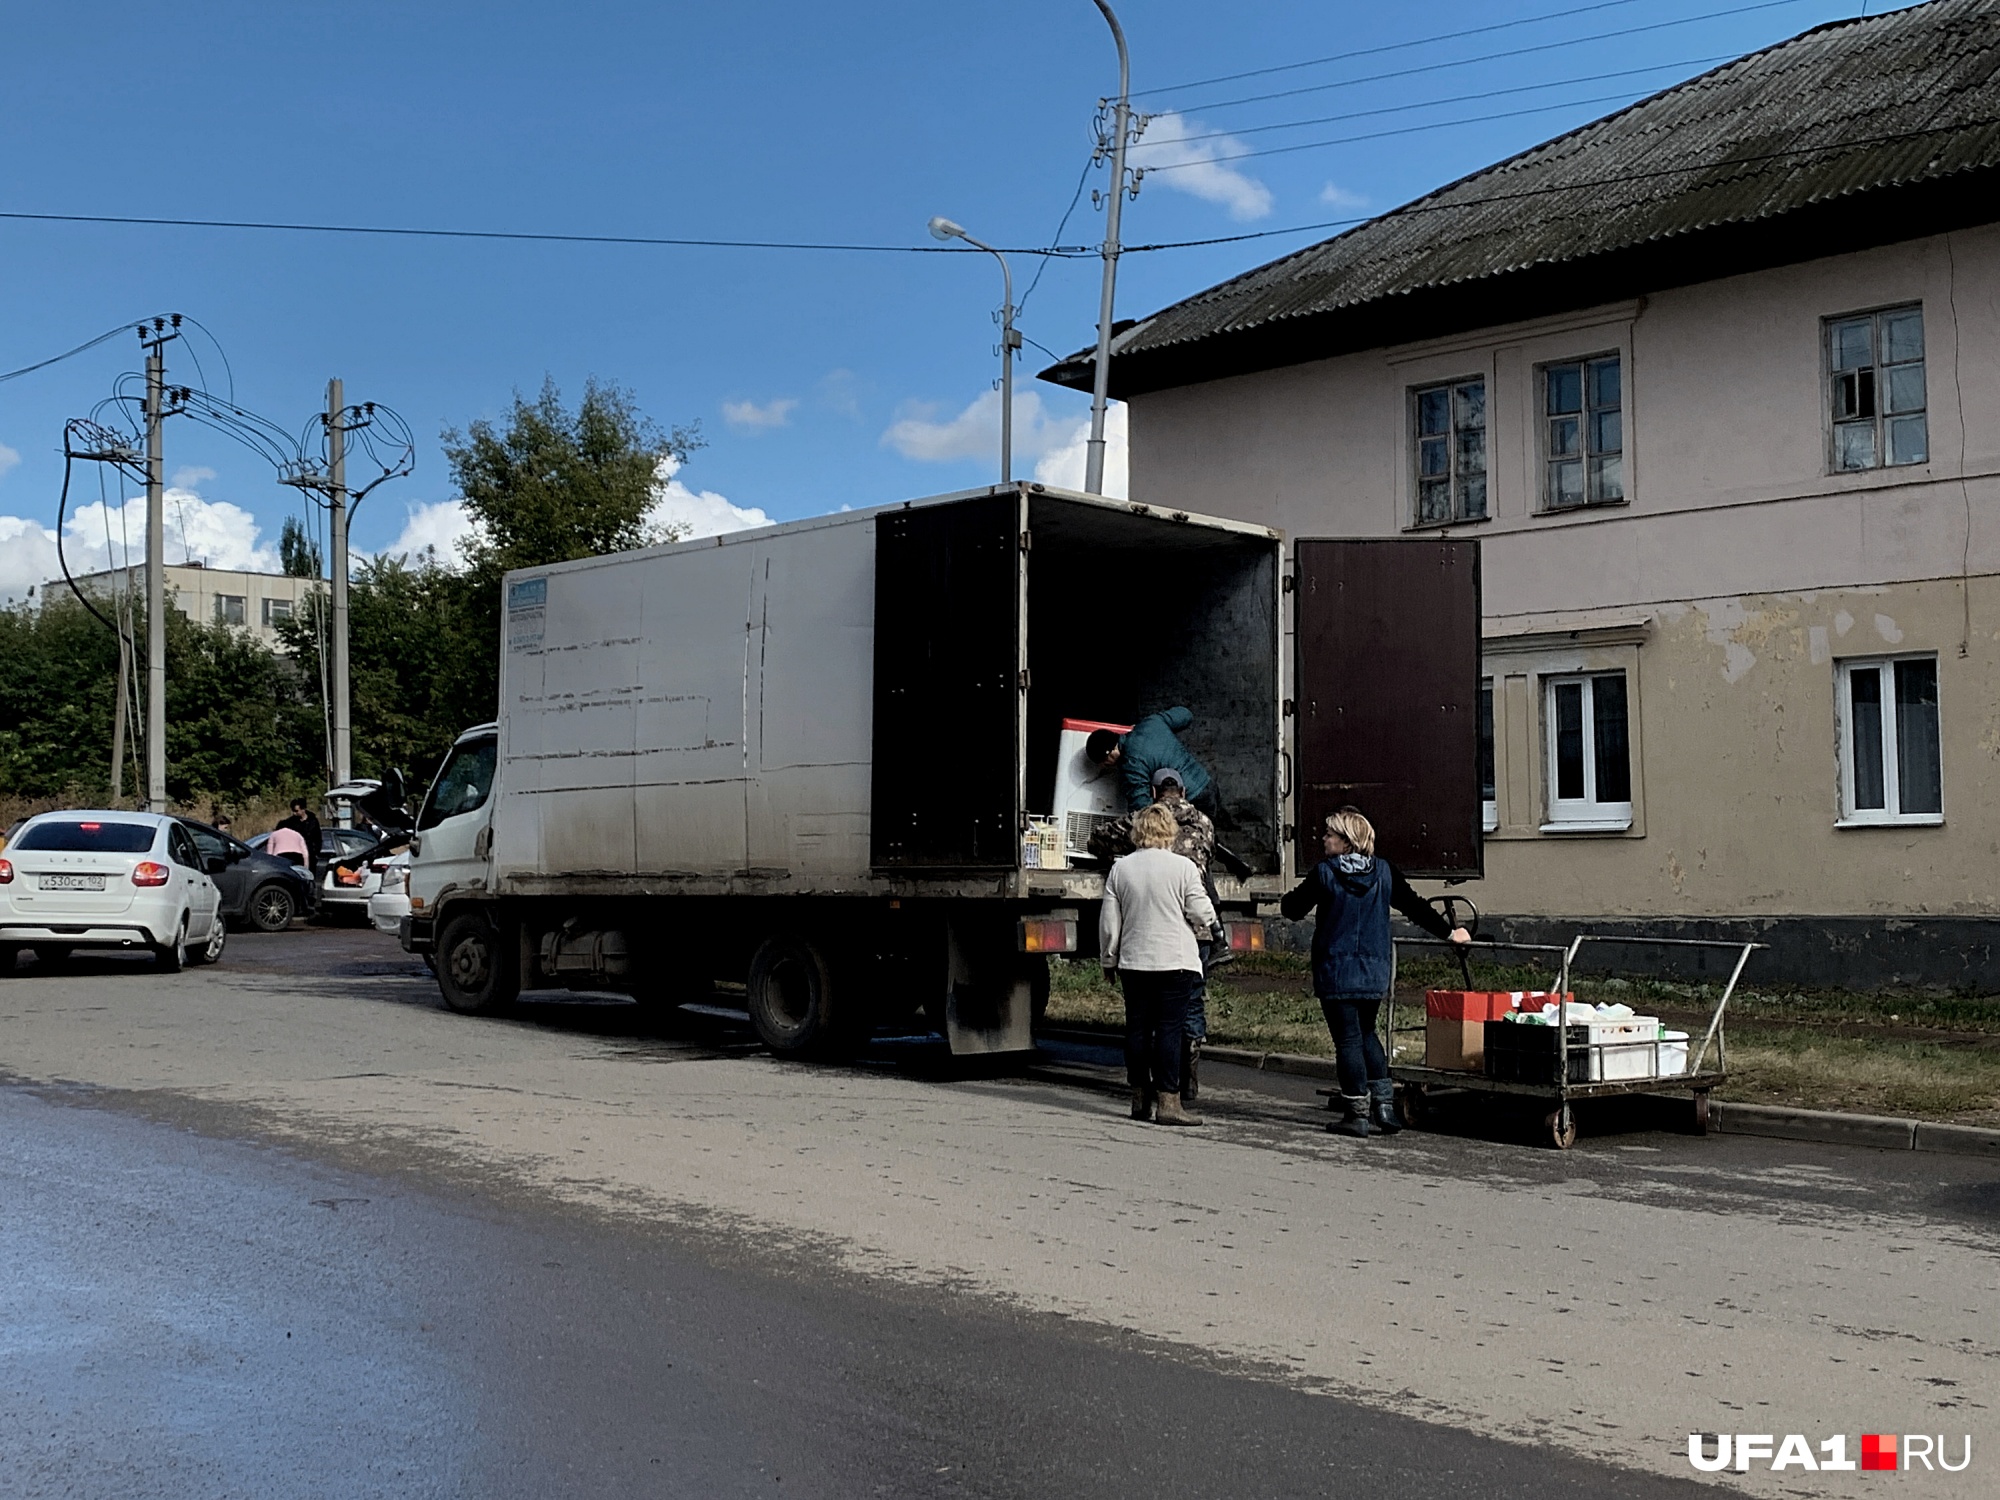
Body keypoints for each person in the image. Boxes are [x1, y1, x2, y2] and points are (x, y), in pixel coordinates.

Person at [1280, 808, 1471, 1139]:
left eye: (1329, 834)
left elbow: (1292, 909)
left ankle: (1356, 1112)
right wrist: (1449, 932)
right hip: (1373, 968)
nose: (1323, 838)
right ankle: (1384, 1106)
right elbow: (1414, 906)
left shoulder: (1324, 874)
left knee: (1348, 1039)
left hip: (1336, 968)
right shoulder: (1384, 872)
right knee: (1367, 1033)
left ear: (1346, 841)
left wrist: (1290, 898)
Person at [1088, 768, 1229, 1102]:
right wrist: (1213, 925)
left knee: (1138, 1025)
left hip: (1136, 955)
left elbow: (1109, 920)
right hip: (1181, 950)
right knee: (1179, 1017)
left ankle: (1139, 1094)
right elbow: (1200, 909)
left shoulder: (1122, 866)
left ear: (1152, 794)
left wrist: (1109, 959)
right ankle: (1178, 1089)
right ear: (1183, 789)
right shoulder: (1201, 830)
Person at [1085, 707, 1219, 821]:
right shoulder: (1151, 723)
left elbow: (1141, 808)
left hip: (1189, 801)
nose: (1105, 765)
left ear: (1110, 752)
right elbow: (1186, 714)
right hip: (1207, 784)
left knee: (1193, 845)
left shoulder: (1130, 763)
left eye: (1104, 762)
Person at [277, 798, 324, 873]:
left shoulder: (313, 821)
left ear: (303, 809)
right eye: (293, 811)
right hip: (296, 856)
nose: (294, 813)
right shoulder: (290, 823)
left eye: (296, 811)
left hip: (310, 856)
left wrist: (315, 852)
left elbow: (318, 838)